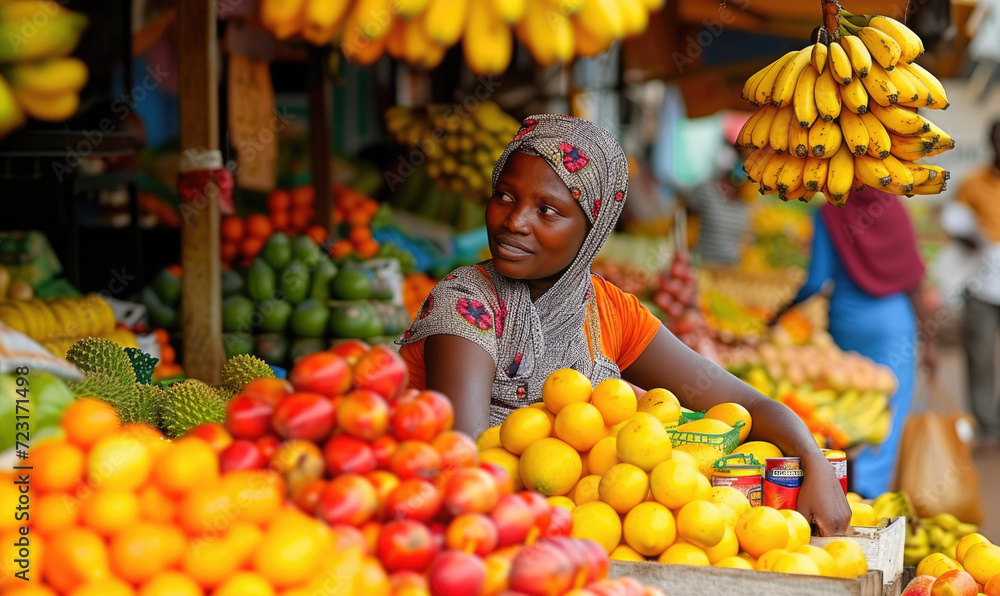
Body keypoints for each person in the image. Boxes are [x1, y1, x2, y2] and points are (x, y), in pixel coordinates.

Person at [397, 114, 851, 536]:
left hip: (589, 537)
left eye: (548, 210)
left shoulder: (607, 310)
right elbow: (468, 465)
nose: (515, 222)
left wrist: (814, 462)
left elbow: (742, 401)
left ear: (593, 227)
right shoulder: (466, 303)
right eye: (505, 197)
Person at [771, 187, 936, 498]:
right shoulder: (893, 208)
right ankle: (869, 495)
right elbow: (914, 279)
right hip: (895, 322)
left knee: (847, 403)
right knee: (888, 409)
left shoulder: (829, 212)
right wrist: (929, 340)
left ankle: (843, 485)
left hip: (848, 322)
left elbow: (816, 281)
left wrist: (779, 312)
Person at [953, 121, 1000, 443]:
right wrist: (968, 237)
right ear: (992, 143)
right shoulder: (973, 184)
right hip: (982, 286)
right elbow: (953, 222)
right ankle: (987, 424)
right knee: (980, 356)